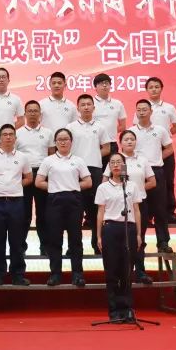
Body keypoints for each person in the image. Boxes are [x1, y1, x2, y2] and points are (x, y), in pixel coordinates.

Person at [35, 128, 92, 286]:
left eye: (66, 139)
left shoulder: (78, 160)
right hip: (54, 200)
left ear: (71, 141)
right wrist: (55, 187)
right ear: (55, 142)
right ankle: (55, 274)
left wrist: (71, 186)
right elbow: (38, 182)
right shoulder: (49, 161)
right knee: (54, 239)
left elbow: (88, 182)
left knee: (75, 239)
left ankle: (77, 275)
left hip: (74, 200)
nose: (63, 142)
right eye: (59, 139)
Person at [0, 124, 32, 286]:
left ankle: (18, 274)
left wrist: (15, 186)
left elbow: (29, 178)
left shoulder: (23, 157)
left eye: (11, 134)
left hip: (17, 203)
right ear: (0, 138)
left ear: (15, 138)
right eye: (5, 134)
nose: (8, 137)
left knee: (17, 240)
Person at [96, 152, 145, 322]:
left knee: (127, 270)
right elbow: (100, 212)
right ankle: (114, 310)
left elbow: (136, 210)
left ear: (124, 166)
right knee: (112, 271)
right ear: (109, 167)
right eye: (113, 163)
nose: (116, 165)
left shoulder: (131, 186)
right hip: (110, 229)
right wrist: (99, 236)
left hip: (128, 228)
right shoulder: (103, 187)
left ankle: (127, 309)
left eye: (119, 162)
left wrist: (138, 234)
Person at [64, 94, 112, 254]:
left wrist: (93, 154)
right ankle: (74, 247)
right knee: (74, 212)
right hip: (74, 171)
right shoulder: (70, 127)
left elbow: (107, 148)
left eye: (88, 104)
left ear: (93, 107)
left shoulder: (100, 127)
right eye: (82, 104)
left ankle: (97, 245)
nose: (86, 107)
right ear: (78, 108)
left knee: (95, 209)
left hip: (95, 170)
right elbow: (66, 147)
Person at [130, 99, 174, 253]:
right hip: (137, 172)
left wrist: (158, 158)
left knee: (160, 208)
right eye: (139, 110)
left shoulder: (160, 130)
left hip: (156, 171)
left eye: (145, 109)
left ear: (151, 111)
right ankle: (138, 243)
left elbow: (169, 148)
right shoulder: (131, 132)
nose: (142, 112)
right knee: (139, 209)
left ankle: (163, 242)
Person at [113, 130, 157, 284]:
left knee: (139, 238)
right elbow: (108, 181)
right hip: (120, 204)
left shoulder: (142, 160)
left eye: (132, 139)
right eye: (126, 139)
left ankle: (140, 272)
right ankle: (124, 273)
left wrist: (136, 190)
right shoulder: (117, 160)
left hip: (139, 203)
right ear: (120, 143)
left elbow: (152, 181)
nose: (129, 141)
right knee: (122, 239)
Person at [141, 77, 176, 225]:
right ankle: (148, 216)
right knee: (148, 182)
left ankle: (169, 214)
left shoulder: (169, 108)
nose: (154, 89)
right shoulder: (142, 108)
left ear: (161, 88)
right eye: (151, 87)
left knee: (168, 182)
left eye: (156, 87)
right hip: (147, 150)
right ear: (147, 90)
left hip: (165, 148)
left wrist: (165, 135)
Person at [16, 100, 49, 255]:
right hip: (24, 175)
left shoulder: (48, 133)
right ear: (25, 114)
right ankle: (20, 247)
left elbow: (51, 155)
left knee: (44, 214)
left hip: (43, 175)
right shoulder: (17, 133)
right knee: (24, 214)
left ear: (40, 114)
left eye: (36, 111)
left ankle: (45, 247)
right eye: (30, 111)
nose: (33, 113)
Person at [91, 73, 126, 161]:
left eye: (106, 83)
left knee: (114, 168)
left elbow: (123, 126)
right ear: (95, 87)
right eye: (101, 83)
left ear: (110, 86)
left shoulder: (117, 103)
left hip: (112, 143)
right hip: (94, 143)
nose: (104, 85)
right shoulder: (90, 103)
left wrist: (109, 132)